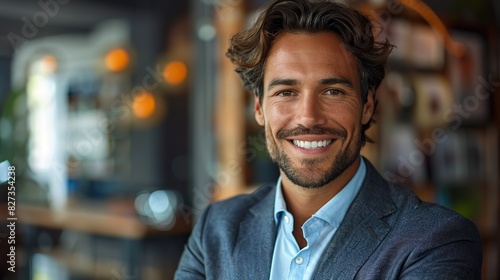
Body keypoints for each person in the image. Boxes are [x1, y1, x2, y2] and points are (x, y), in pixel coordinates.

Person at [175, 0, 483, 279]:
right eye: (286, 92)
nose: (308, 117)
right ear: (259, 108)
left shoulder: (437, 240)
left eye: (333, 91)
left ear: (367, 106)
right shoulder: (216, 228)